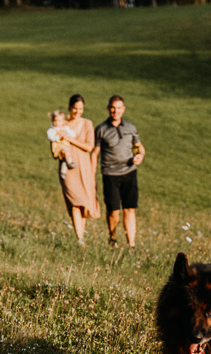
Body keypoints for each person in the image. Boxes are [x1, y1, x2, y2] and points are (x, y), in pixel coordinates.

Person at [91, 95, 146, 248]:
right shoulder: (101, 129)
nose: (116, 111)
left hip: (129, 172)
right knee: (113, 210)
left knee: (129, 208)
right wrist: (92, 175)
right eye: (113, 108)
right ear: (109, 108)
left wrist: (140, 156)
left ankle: (131, 244)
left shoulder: (130, 127)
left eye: (119, 108)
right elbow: (95, 153)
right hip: (110, 174)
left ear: (124, 109)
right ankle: (112, 238)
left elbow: (139, 148)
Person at [58, 94, 99, 246]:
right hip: (68, 168)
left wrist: (69, 139)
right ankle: (79, 237)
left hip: (83, 166)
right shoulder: (62, 124)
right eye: (75, 109)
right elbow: (55, 144)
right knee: (74, 201)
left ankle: (81, 235)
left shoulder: (87, 123)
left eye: (80, 109)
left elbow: (89, 146)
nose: (77, 112)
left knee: (82, 202)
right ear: (69, 107)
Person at [46, 110, 76, 179]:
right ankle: (70, 162)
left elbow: (72, 134)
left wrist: (66, 135)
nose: (57, 123)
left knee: (63, 159)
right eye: (55, 121)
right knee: (64, 152)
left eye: (59, 121)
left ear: (63, 121)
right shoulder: (52, 130)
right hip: (58, 147)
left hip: (65, 146)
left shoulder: (65, 128)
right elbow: (50, 137)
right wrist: (58, 138)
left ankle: (63, 172)